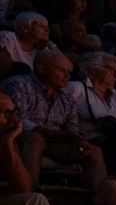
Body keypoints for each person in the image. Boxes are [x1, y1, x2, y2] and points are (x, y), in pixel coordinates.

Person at [0, 49, 106, 188]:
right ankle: (31, 191)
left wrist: (78, 140)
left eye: (69, 72)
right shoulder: (18, 84)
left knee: (93, 150)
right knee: (35, 138)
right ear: (41, 68)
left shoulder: (67, 98)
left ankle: (102, 197)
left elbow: (72, 128)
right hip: (21, 139)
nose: (67, 76)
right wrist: (57, 134)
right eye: (62, 70)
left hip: (55, 144)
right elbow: (17, 120)